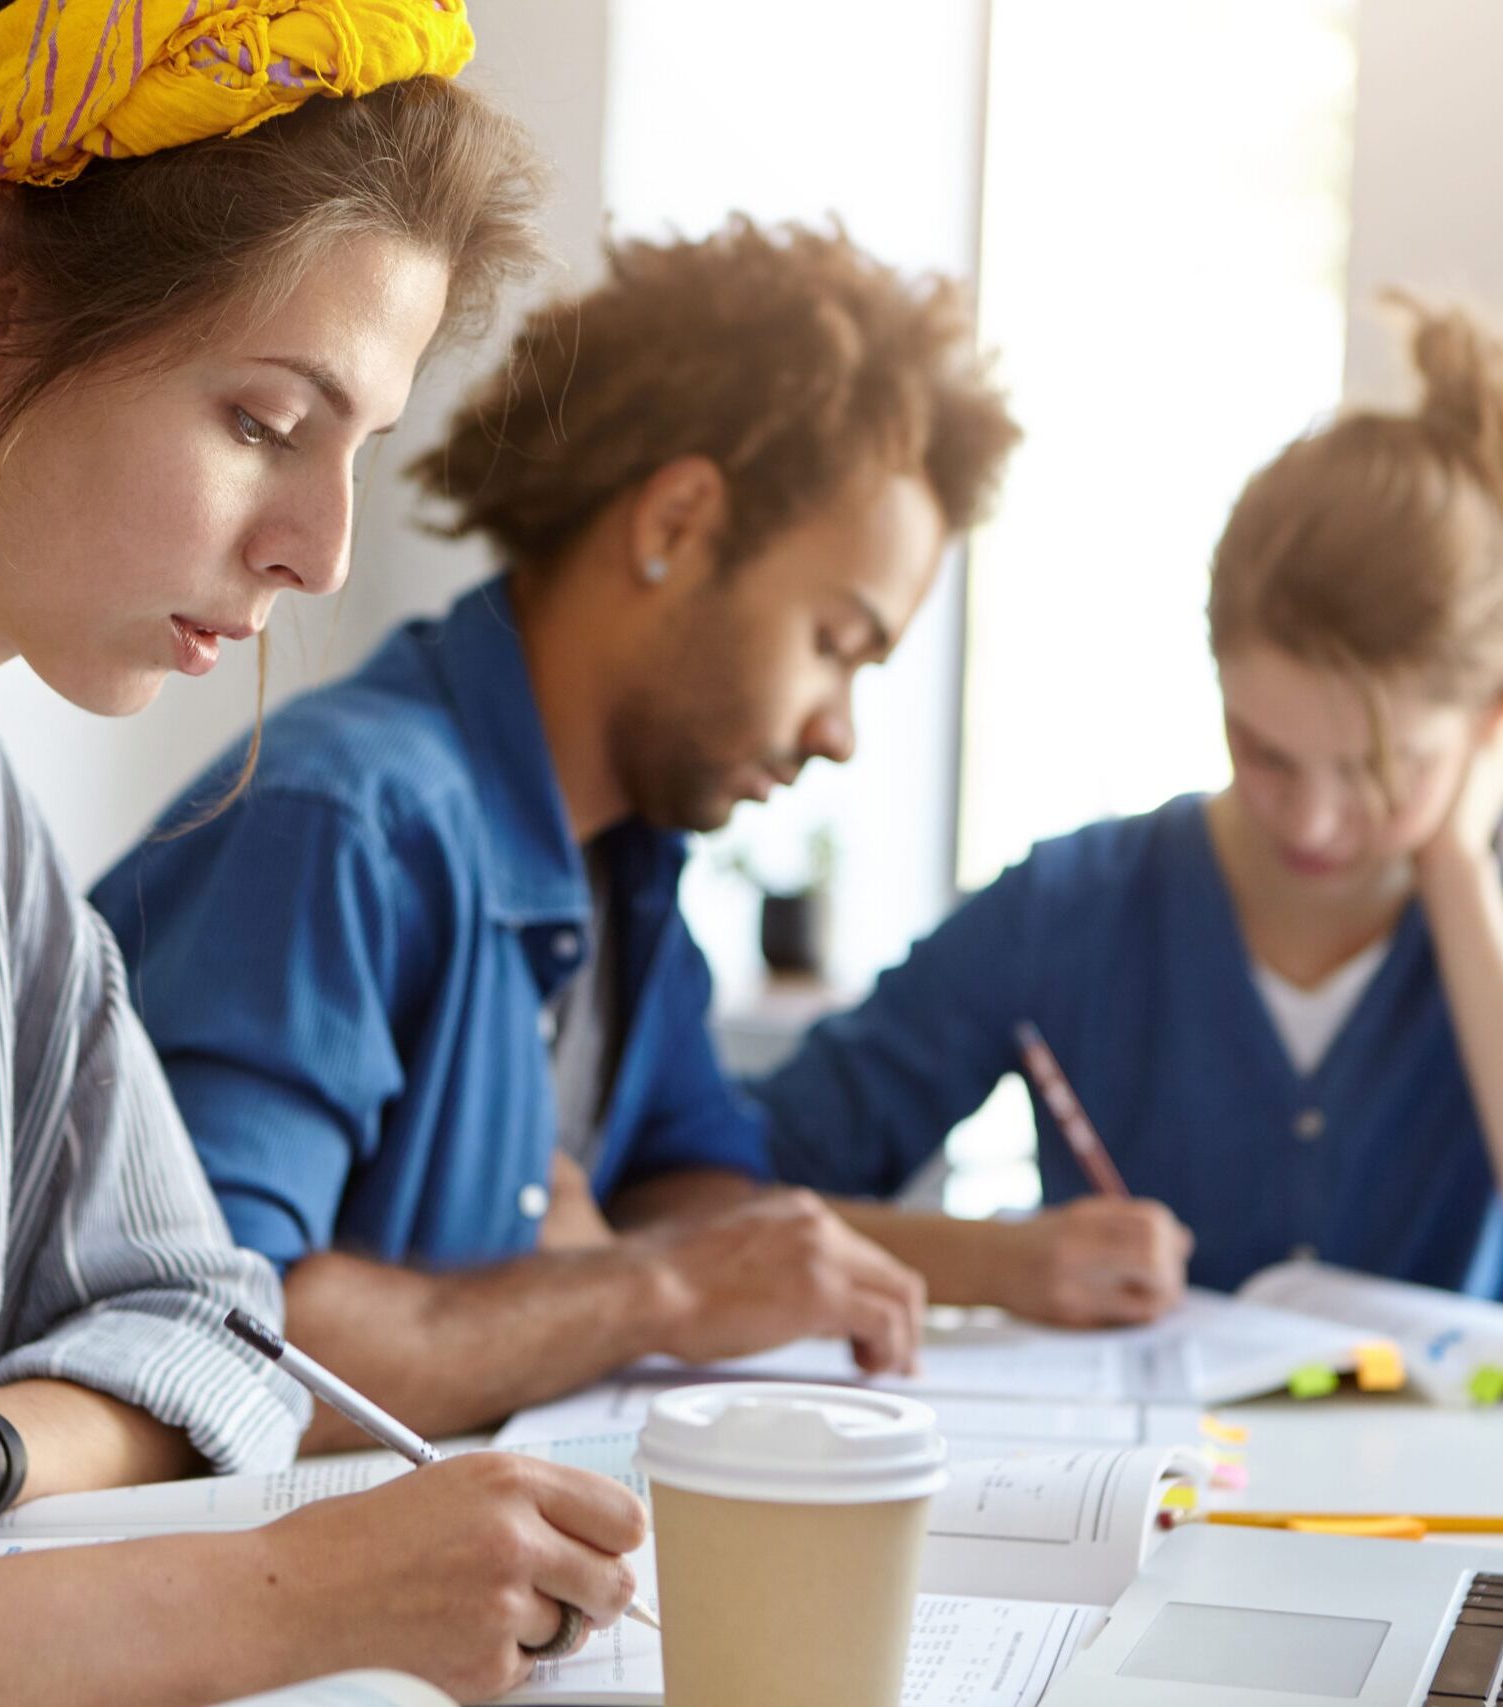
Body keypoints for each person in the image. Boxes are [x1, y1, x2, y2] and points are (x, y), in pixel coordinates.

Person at [0, 2, 644, 1701]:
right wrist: (280, 1596)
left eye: (355, 451)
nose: (320, 552)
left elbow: (214, 1318)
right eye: (263, 421)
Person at [92, 218, 1022, 1444]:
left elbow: (694, 1195)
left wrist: (622, 1258)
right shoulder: (344, 827)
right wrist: (640, 1288)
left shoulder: (625, 863)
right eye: (834, 645)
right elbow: (222, 1350)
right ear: (676, 524)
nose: (838, 730)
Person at [758, 296, 1503, 1323]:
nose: (1316, 824)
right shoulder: (1069, 908)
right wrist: (988, 1262)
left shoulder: (1480, 932)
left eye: (1382, 770)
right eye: (1267, 754)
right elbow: (727, 1185)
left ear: (1484, 722)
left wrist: (1462, 873)